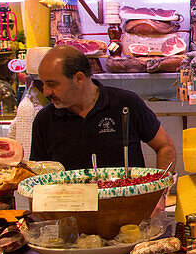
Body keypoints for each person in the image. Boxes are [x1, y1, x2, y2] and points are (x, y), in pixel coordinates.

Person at [29, 46, 175, 170]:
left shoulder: (127, 103)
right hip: (71, 203)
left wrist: (160, 194)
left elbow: (165, 147)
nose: (46, 92)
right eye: (43, 84)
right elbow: (37, 174)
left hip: (127, 202)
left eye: (52, 84)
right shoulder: (44, 120)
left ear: (79, 78)